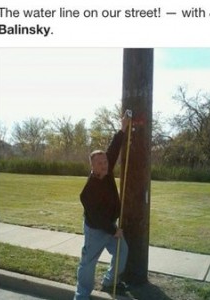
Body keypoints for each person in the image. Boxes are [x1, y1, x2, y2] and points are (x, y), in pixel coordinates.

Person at [74, 113, 131, 300]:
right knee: (88, 263)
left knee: (122, 251)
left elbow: (114, 149)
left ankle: (109, 281)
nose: (105, 165)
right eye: (100, 163)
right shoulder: (88, 191)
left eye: (106, 162)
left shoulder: (107, 172)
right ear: (92, 166)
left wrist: (122, 128)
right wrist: (113, 229)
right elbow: (97, 217)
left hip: (110, 226)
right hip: (95, 231)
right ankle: (82, 295)